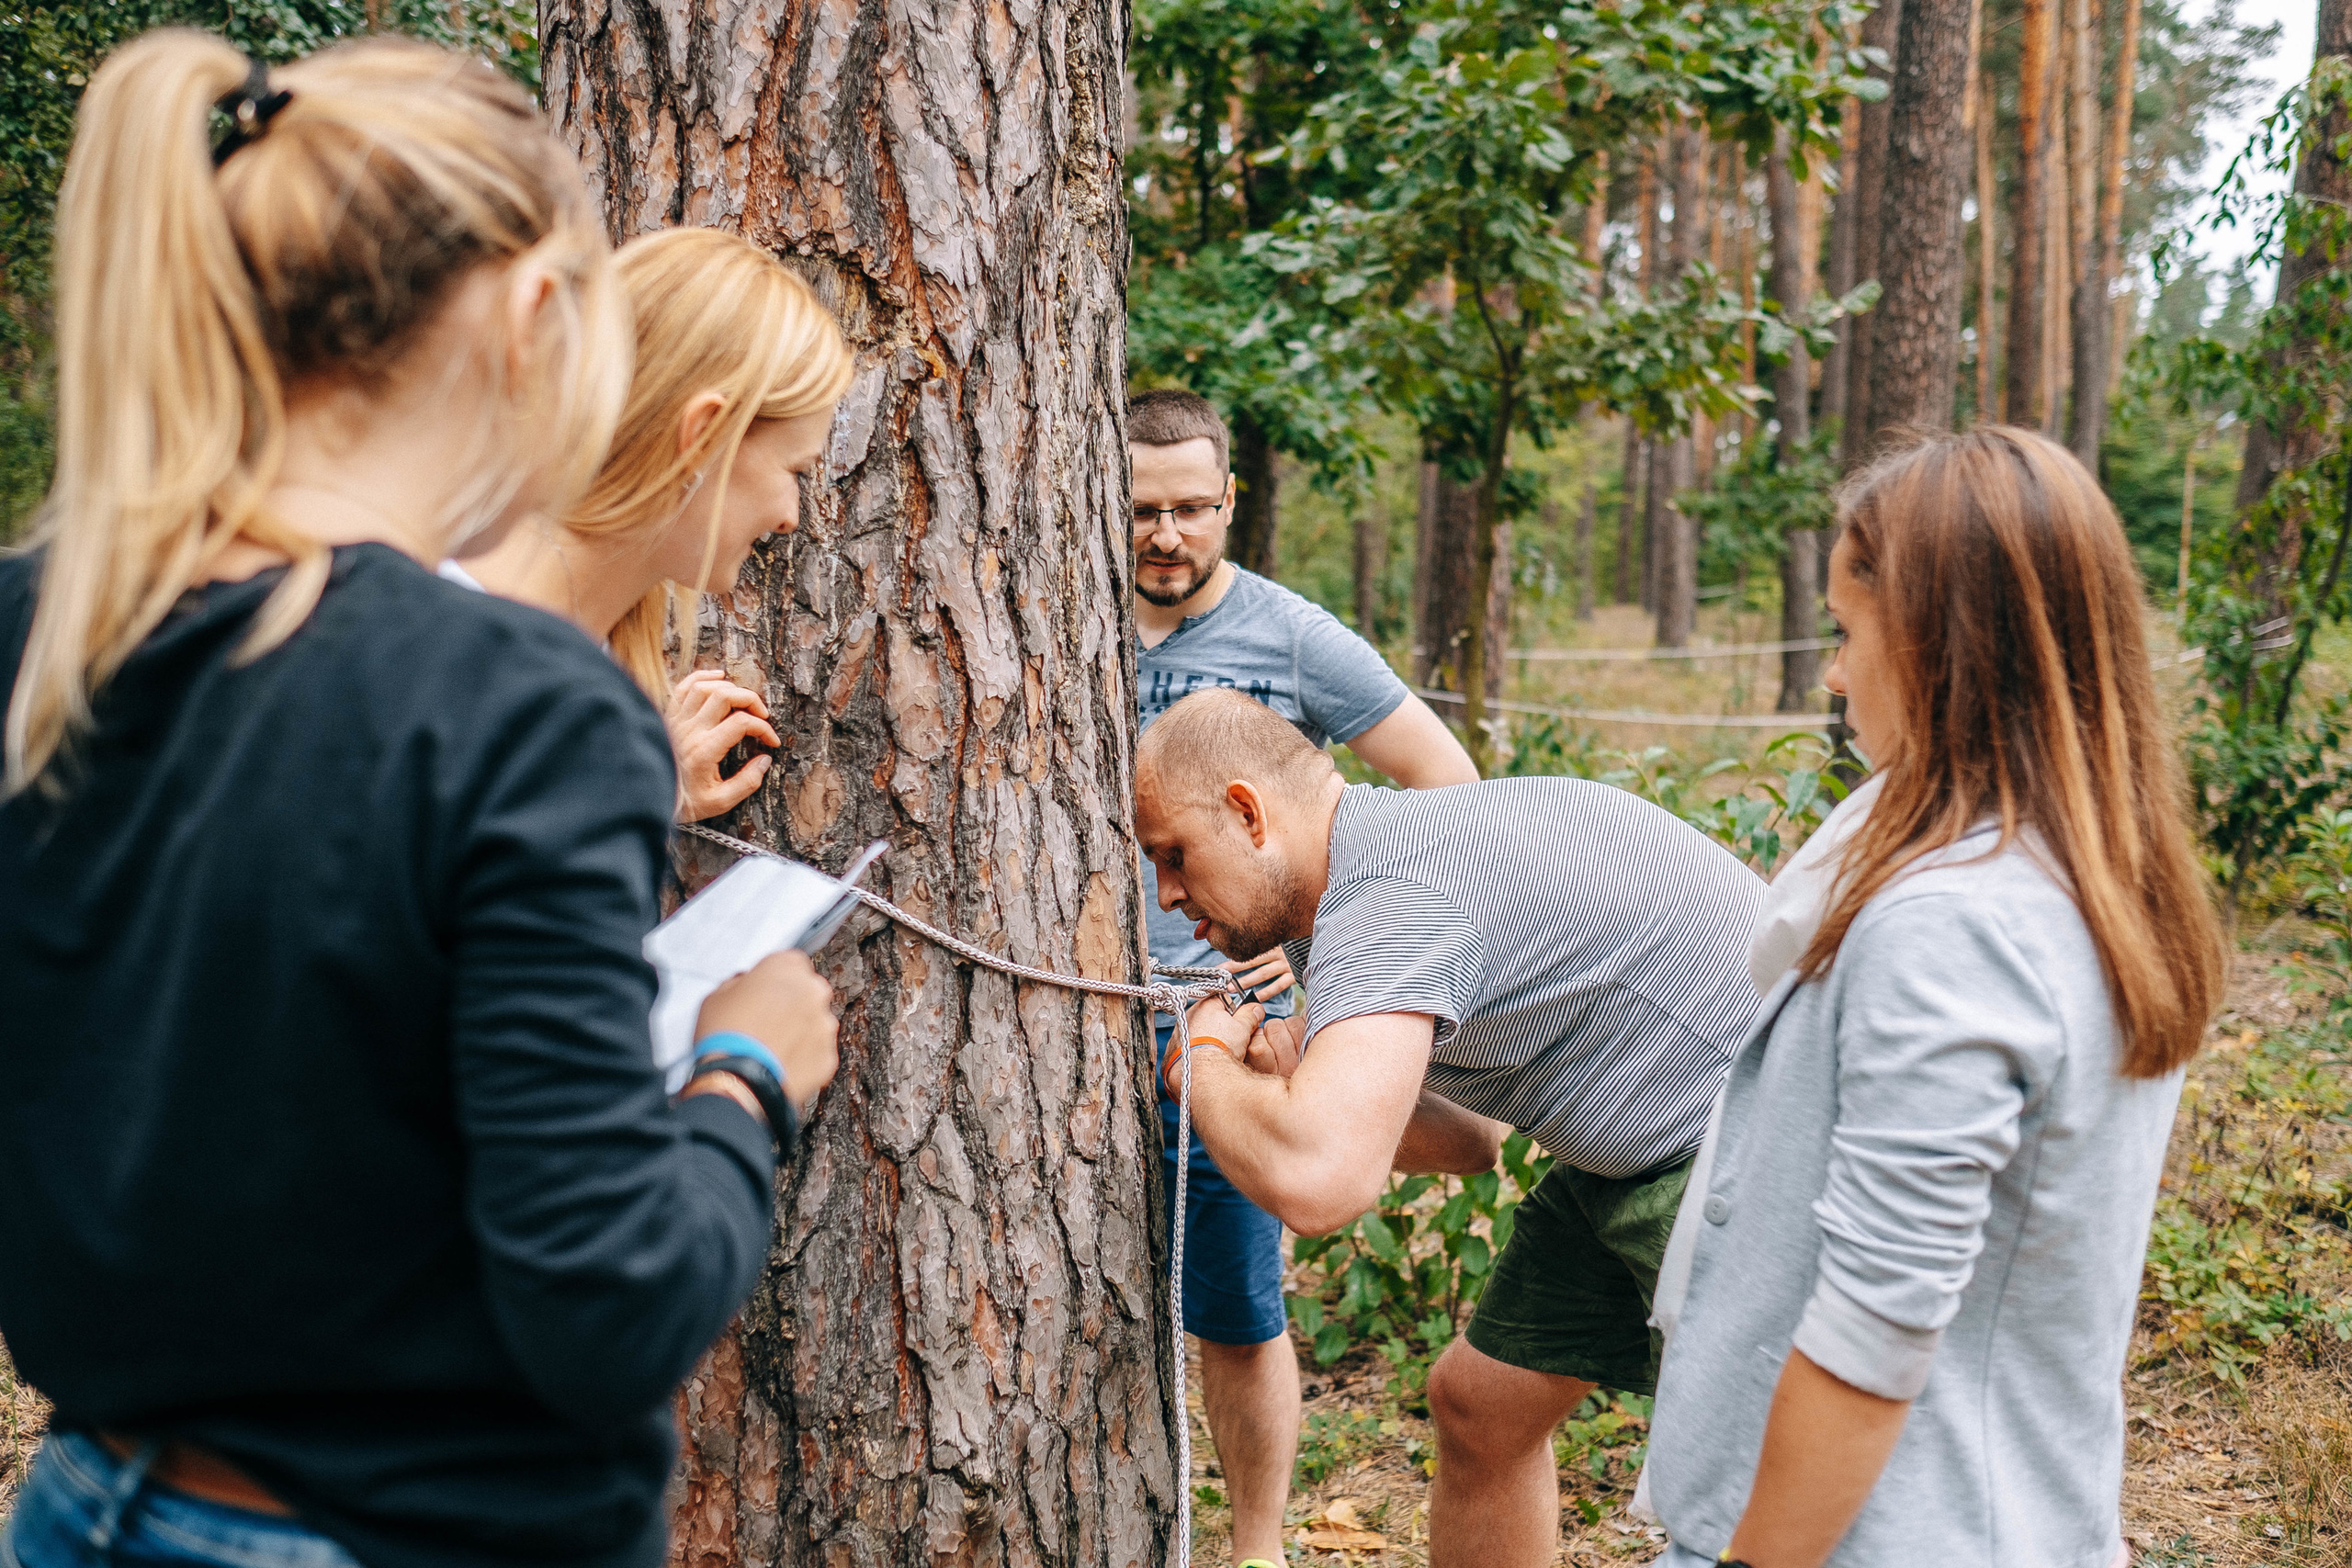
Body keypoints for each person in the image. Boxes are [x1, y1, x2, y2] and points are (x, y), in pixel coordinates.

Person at [0, 31, 837, 1568]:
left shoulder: (42, 623)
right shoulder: (520, 703)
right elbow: (609, 1308)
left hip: (84, 1504)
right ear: (530, 316)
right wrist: (747, 1070)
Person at [1642, 428, 2225, 1568]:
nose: (1832, 674)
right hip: (2011, 1513)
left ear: (1937, 647)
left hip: (1884, 1534)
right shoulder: (2089, 877)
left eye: (1846, 631)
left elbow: (1876, 1324)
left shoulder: (1952, 925)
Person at [1141, 686, 1764, 1568]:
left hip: (1743, 1151)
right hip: (1641, 1141)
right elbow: (1470, 1142)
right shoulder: (1367, 876)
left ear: (1249, 814)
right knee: (1481, 1406)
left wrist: (1206, 1061)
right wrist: (1293, 1085)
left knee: (1769, 1503)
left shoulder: (1386, 901)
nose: (1165, 894)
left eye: (1174, 854)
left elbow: (1321, 1182)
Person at [1125, 389, 1477, 1568]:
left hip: (1232, 1027)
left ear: (1229, 502)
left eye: (1189, 507)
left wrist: (1313, 949)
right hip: (1065, 1023)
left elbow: (1446, 784)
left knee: (1235, 1313)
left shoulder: (1291, 636)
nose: (1164, 533)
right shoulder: (1051, 616)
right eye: (1140, 509)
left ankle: (1259, 1550)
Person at [446, 225, 852, 822]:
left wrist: (634, 800)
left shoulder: (555, 667)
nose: (791, 517)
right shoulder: (458, 660)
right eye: (794, 469)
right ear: (702, 438)